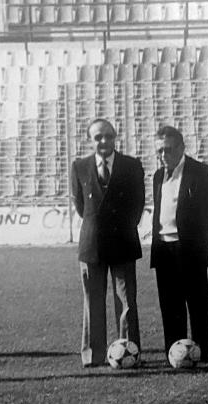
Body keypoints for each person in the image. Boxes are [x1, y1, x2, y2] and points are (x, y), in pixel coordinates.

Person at [70, 119, 144, 367]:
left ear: (115, 137)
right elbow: (81, 206)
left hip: (123, 241)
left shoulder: (131, 166)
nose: (104, 141)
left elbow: (138, 204)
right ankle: (93, 355)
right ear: (90, 140)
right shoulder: (79, 167)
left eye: (108, 136)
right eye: (98, 137)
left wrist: (121, 227)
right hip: (92, 244)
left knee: (126, 303)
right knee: (92, 302)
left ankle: (129, 352)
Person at [150, 125, 208, 361]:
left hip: (190, 249)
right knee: (169, 305)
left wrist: (205, 241)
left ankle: (203, 350)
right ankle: (175, 352)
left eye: (168, 149)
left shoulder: (201, 172)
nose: (164, 155)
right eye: (159, 151)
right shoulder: (158, 176)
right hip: (164, 248)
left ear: (182, 147)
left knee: (197, 302)